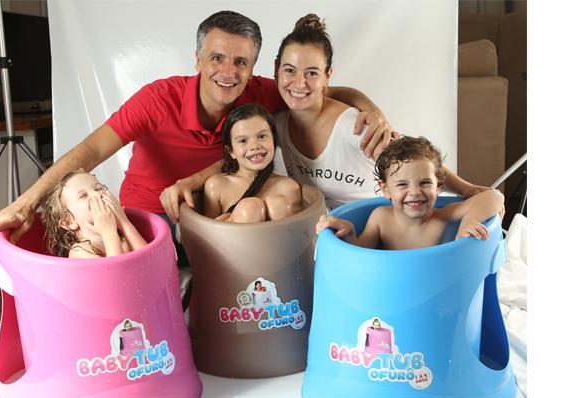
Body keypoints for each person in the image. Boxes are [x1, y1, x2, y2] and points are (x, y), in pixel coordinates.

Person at [0, 10, 394, 257]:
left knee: (266, 232)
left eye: (240, 62)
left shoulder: (260, 93)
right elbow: (89, 151)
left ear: (253, 68)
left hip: (217, 216)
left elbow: (314, 90)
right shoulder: (157, 99)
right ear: (197, 59)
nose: (228, 72)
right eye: (217, 58)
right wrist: (24, 204)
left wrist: (369, 107)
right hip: (153, 218)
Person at [273, 14, 492, 210]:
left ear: (327, 76)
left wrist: (466, 189)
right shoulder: (278, 125)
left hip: (389, 222)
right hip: (339, 229)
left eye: (312, 73)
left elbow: (415, 161)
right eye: (290, 70)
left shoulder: (353, 127)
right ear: (276, 70)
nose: (299, 83)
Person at [316, 136, 505, 250]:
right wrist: (349, 232)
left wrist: (469, 222)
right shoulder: (380, 218)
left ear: (439, 186)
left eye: (425, 183)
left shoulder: (443, 217)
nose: (414, 192)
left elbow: (495, 197)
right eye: (402, 184)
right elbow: (362, 254)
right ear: (385, 189)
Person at [203, 104, 301, 223]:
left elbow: (302, 229)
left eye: (262, 136)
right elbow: (205, 229)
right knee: (250, 208)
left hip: (281, 234)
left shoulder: (288, 187)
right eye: (243, 140)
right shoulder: (217, 185)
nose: (254, 146)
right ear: (231, 151)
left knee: (278, 204)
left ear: (274, 141)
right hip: (231, 235)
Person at [40, 170, 147, 258]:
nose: (96, 194)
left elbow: (149, 260)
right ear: (69, 222)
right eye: (83, 196)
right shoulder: (80, 251)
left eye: (99, 188)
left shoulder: (124, 239)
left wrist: (124, 222)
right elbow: (115, 274)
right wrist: (108, 233)